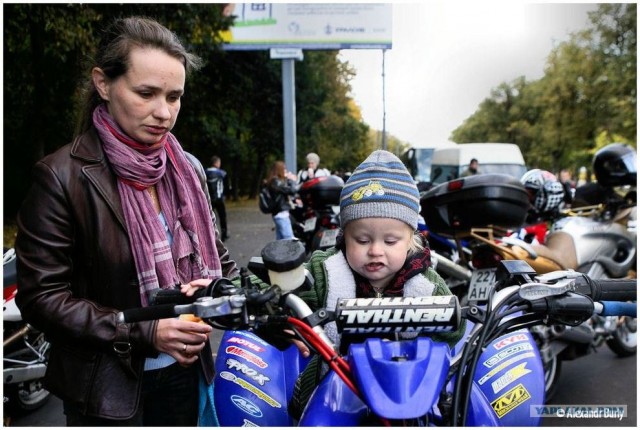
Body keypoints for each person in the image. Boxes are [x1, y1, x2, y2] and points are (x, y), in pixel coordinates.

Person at [14, 17, 239, 426]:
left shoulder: (186, 168)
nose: (163, 112)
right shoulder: (61, 177)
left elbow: (221, 261)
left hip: (187, 375)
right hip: (107, 393)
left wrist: (214, 289)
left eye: (174, 96)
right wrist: (143, 333)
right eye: (146, 93)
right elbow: (40, 299)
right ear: (103, 83)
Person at [288, 150, 466, 417]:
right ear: (344, 236)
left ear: (411, 239)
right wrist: (254, 290)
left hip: (405, 395)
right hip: (333, 395)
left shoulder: (426, 283)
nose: (375, 251)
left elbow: (454, 329)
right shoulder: (325, 271)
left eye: (391, 241)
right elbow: (281, 283)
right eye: (361, 240)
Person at [266, 160, 298, 239]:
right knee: (289, 240)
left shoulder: (275, 181)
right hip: (281, 215)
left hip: (279, 214)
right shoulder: (276, 182)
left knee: (280, 241)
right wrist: (291, 180)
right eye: (284, 169)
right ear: (279, 170)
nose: (286, 171)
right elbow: (292, 191)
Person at [206, 155, 230, 241]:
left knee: (209, 218)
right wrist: (226, 195)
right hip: (219, 199)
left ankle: (209, 235)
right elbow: (227, 186)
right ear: (216, 163)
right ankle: (224, 234)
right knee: (222, 217)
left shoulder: (205, 172)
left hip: (208, 200)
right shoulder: (222, 173)